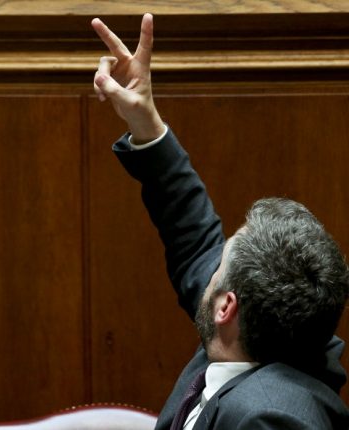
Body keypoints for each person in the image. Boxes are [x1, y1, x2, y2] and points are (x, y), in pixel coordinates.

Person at [91, 13, 349, 429]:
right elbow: (195, 240)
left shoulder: (267, 417)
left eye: (220, 265)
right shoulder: (271, 335)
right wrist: (146, 125)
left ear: (226, 306)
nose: (210, 265)